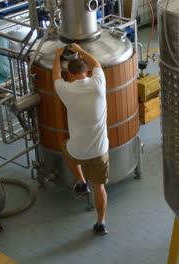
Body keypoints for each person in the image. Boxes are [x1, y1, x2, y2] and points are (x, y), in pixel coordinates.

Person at [52, 43, 109, 235]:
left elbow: (55, 77)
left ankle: (81, 181)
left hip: (78, 151)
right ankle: (101, 223)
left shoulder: (67, 90)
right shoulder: (98, 83)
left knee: (65, 146)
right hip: (100, 150)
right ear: (87, 71)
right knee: (100, 188)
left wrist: (57, 56)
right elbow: (97, 64)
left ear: (70, 75)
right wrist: (81, 50)